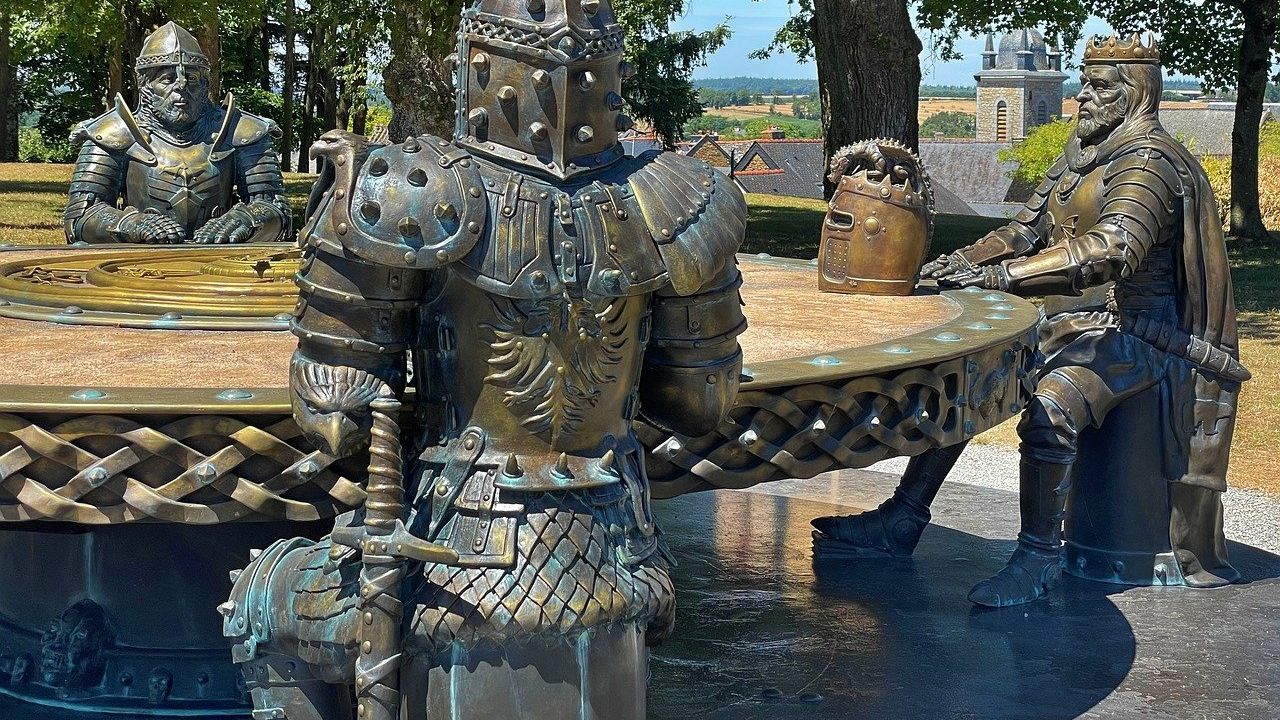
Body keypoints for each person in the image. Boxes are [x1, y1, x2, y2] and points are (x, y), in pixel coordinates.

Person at [223, 0, 748, 716]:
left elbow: (336, 419)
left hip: (453, 553)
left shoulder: (399, 192)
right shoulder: (682, 198)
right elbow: (701, 403)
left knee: (261, 595)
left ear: (474, 65)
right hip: (620, 545)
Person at [64, 22, 290, 245]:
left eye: (191, 79)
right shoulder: (112, 134)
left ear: (205, 84)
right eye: (167, 79)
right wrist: (131, 224)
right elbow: (81, 217)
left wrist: (245, 219)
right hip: (140, 261)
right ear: (145, 85)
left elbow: (276, 209)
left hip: (222, 259)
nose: (181, 87)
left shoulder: (240, 130)